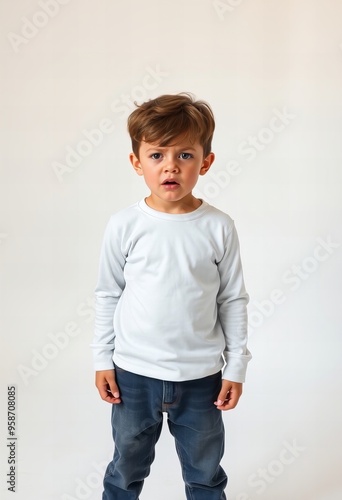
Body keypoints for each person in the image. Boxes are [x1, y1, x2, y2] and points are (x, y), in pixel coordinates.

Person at [91, 93, 252, 500]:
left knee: (204, 473)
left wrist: (236, 366)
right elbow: (108, 293)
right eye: (157, 154)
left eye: (184, 154)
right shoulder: (125, 225)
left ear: (205, 162)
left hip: (201, 380)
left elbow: (232, 299)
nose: (170, 166)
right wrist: (101, 359)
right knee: (125, 469)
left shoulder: (218, 227)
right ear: (136, 163)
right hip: (133, 375)